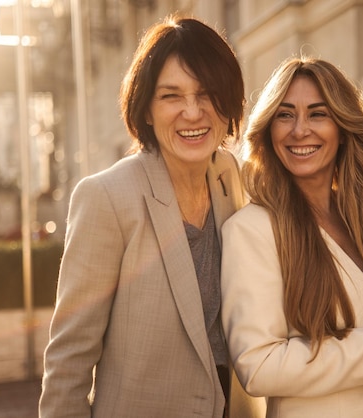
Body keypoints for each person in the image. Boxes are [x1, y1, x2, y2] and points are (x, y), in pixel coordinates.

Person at [39, 15, 265, 418]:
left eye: (207, 93)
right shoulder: (106, 197)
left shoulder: (228, 174)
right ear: (145, 109)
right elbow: (68, 362)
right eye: (171, 96)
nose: (193, 112)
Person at [220, 56, 363, 418]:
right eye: (284, 114)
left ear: (343, 127)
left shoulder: (362, 218)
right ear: (267, 129)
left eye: (317, 113)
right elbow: (259, 365)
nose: (299, 130)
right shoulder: (251, 230)